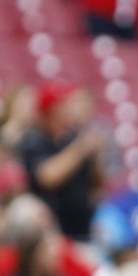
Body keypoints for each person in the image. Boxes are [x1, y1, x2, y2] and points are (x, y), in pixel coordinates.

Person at [19, 82, 106, 242]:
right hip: (51, 232)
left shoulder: (73, 137)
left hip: (82, 228)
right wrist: (81, 147)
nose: (69, 112)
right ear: (51, 112)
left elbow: (97, 183)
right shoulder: (33, 140)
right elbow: (47, 177)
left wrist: (95, 156)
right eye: (63, 108)